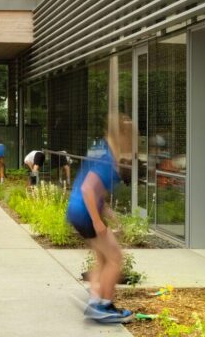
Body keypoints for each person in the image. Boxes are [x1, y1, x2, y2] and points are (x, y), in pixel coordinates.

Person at [65, 117, 134, 325]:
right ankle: (102, 306)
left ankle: (96, 300)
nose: (131, 142)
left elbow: (94, 192)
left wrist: (109, 215)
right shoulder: (106, 156)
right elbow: (88, 188)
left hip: (77, 210)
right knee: (115, 258)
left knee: (103, 258)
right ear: (120, 135)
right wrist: (97, 221)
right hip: (86, 213)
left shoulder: (100, 149)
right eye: (130, 137)